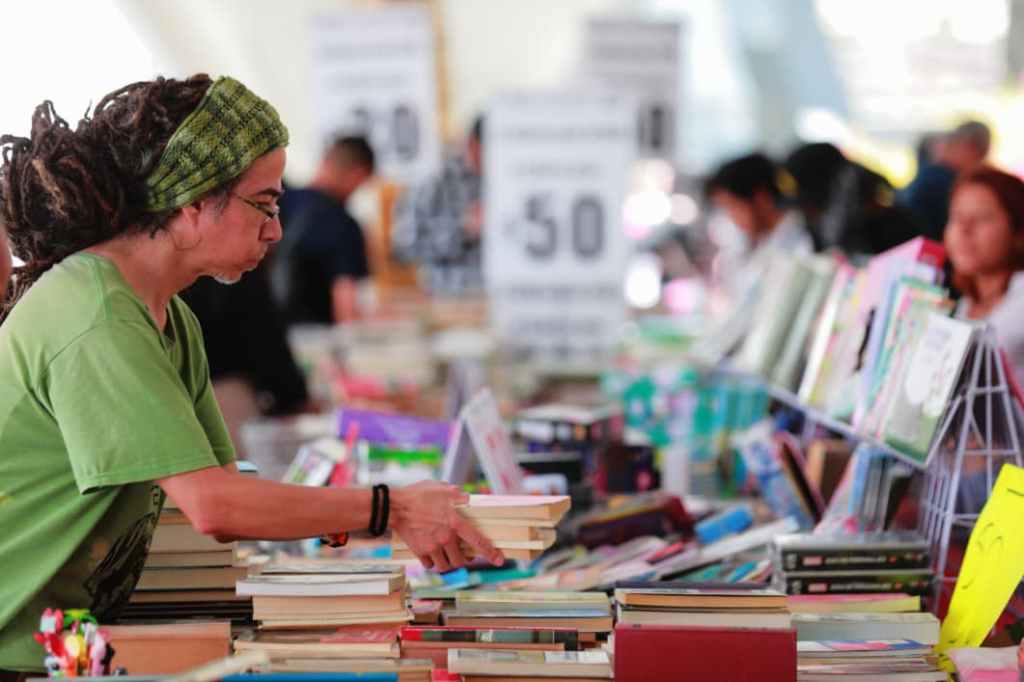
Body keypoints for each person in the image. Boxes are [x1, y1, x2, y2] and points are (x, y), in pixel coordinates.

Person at [0, 75, 503, 676]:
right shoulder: (97, 316)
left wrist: (350, 521)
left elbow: (226, 489)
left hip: (61, 645)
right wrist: (389, 508)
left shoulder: (168, 318)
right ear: (192, 203)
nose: (277, 229)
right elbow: (216, 507)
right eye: (263, 204)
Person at [181, 265, 311, 452]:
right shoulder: (231, 263)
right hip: (225, 392)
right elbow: (264, 336)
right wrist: (292, 397)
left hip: (179, 393)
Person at [272, 136, 374, 325]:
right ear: (358, 175)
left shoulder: (277, 200)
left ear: (325, 162)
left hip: (264, 328)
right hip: (317, 337)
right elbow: (347, 313)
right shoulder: (344, 225)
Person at [944, 166, 1024, 385]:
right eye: (956, 216)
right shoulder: (965, 304)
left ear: (1018, 231)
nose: (964, 229)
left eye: (982, 217)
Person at [704, 152, 814, 307]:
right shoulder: (765, 245)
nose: (732, 218)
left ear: (761, 199)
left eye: (732, 206)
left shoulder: (803, 243)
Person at [393, 116, 484, 297]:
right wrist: (463, 228)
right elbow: (405, 247)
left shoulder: (511, 181)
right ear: (472, 144)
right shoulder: (432, 182)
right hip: (450, 297)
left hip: (514, 296)